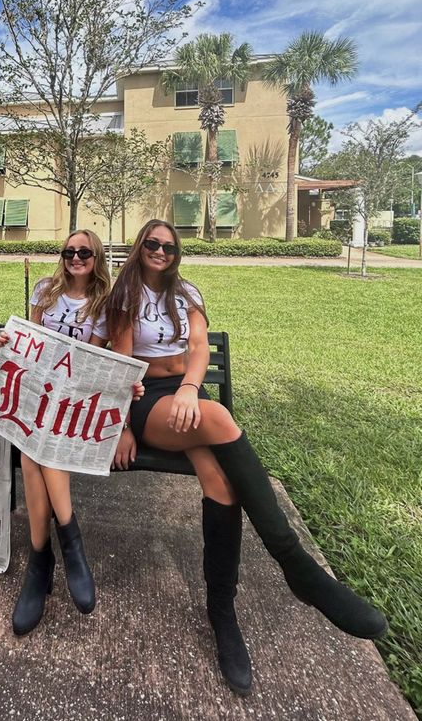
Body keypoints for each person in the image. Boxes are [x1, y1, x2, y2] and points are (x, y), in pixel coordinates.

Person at [107, 219, 387, 695]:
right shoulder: (124, 296)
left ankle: (222, 613)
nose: (160, 251)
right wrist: (119, 427)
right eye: (152, 244)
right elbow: (119, 362)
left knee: (220, 482)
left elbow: (197, 348)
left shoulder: (188, 292)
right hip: (145, 402)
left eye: (169, 246)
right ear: (139, 248)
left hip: (186, 399)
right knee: (216, 418)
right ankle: (296, 564)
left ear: (177, 253)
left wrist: (191, 389)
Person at [0, 228, 142, 636]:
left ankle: (41, 563)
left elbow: (93, 361)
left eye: (84, 253)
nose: (75, 258)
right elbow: (31, 341)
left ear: (96, 258)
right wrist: (9, 340)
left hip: (72, 406)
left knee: (35, 450)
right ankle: (68, 545)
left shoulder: (102, 304)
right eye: (69, 251)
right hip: (38, 396)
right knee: (32, 449)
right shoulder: (44, 290)